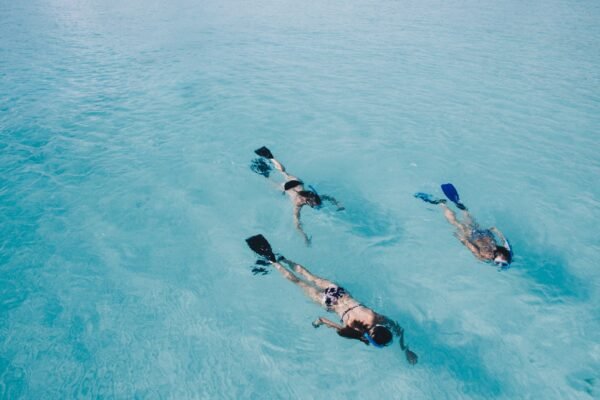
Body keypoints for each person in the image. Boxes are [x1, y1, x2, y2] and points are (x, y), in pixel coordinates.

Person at [245, 234, 418, 365]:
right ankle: (273, 262)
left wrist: (404, 347)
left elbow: (398, 329)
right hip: (329, 303)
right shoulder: (355, 330)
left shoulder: (377, 318)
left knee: (308, 275)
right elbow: (324, 320)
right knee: (298, 282)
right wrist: (406, 350)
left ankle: (282, 258)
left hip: (339, 292)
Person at [251, 146, 343, 245]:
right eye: (313, 205)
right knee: (273, 181)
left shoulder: (311, 196)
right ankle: (266, 173)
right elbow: (297, 224)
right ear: (309, 202)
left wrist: (338, 205)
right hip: (287, 188)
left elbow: (328, 198)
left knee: (283, 172)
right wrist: (305, 237)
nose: (313, 206)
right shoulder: (298, 204)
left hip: (296, 183)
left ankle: (271, 158)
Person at [415, 184, 512, 269]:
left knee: (469, 218)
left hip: (484, 233)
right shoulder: (483, 257)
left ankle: (462, 208)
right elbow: (471, 247)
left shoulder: (505, 250)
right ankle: (442, 204)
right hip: (472, 235)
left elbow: (504, 239)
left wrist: (496, 230)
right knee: (455, 222)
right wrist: (461, 239)